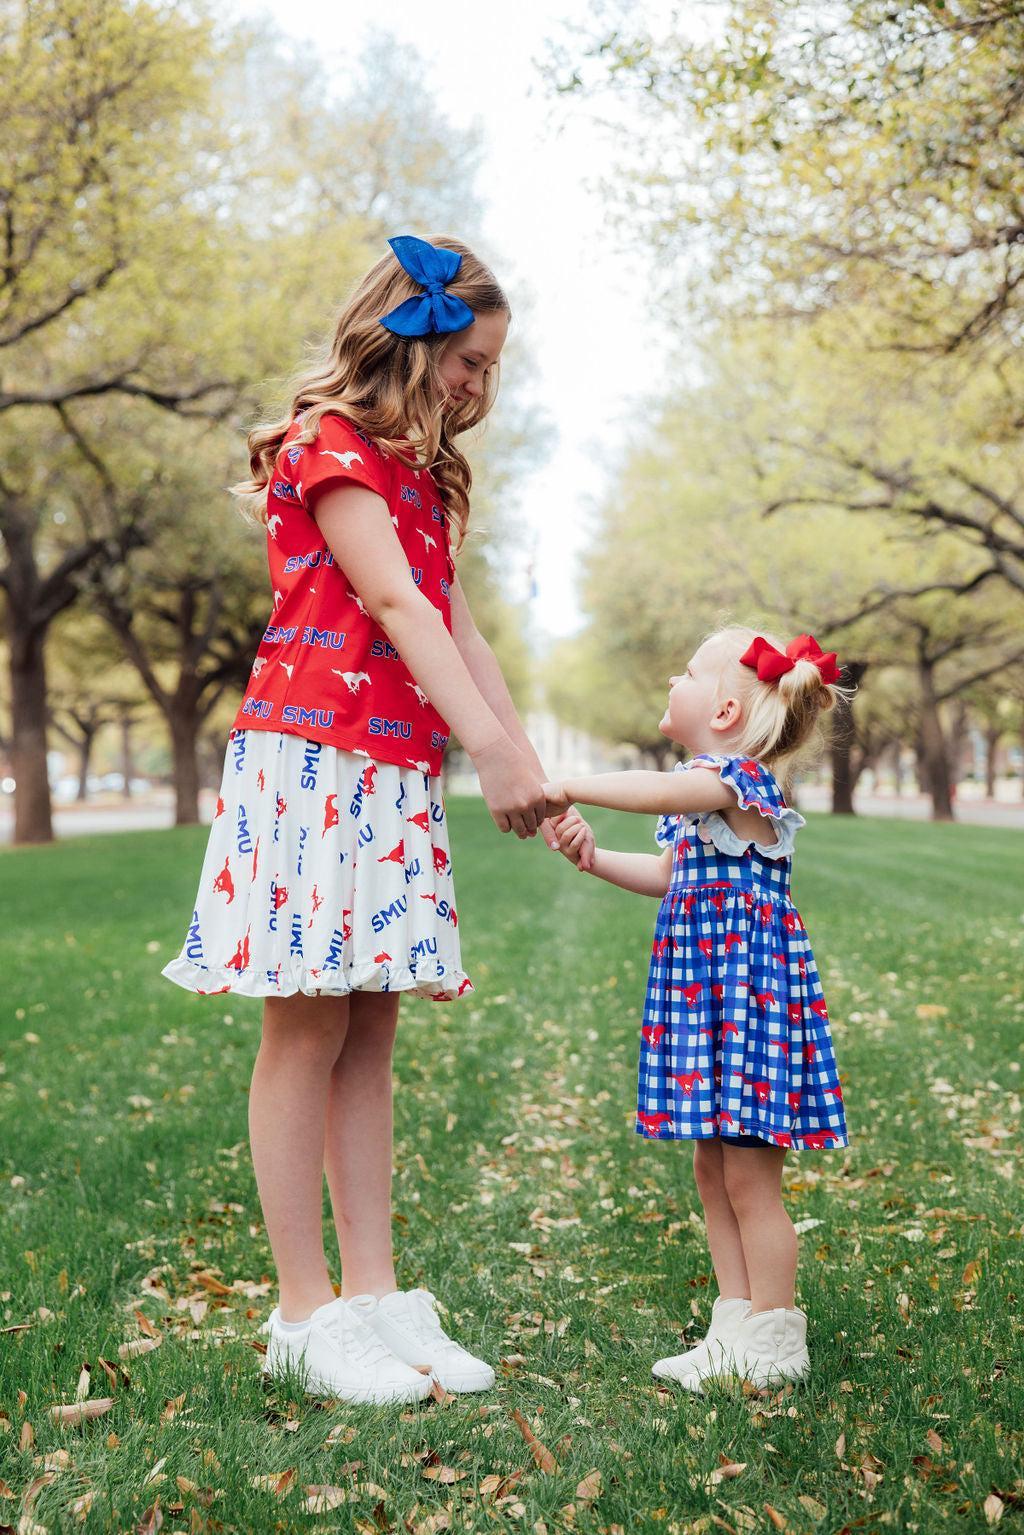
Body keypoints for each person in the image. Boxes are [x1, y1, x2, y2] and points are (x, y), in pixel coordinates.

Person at [162, 235, 554, 1405]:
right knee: (305, 1024)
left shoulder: (427, 478)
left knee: (370, 1023)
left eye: (493, 367)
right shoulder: (327, 446)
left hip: (388, 768)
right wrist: (482, 747)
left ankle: (375, 1294)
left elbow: (459, 629)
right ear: (412, 336)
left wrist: (517, 749)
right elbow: (385, 597)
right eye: (468, 360)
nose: (479, 386)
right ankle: (302, 1308)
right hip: (311, 762)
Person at [545, 626, 851, 1392]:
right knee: (712, 1169)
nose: (669, 680)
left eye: (684, 671)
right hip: (706, 1005)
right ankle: (735, 1321)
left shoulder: (738, 780)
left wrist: (569, 783)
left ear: (721, 711)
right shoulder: (701, 796)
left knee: (751, 1179)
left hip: (748, 1008)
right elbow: (666, 874)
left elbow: (660, 790)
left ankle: (777, 1337)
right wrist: (589, 856)